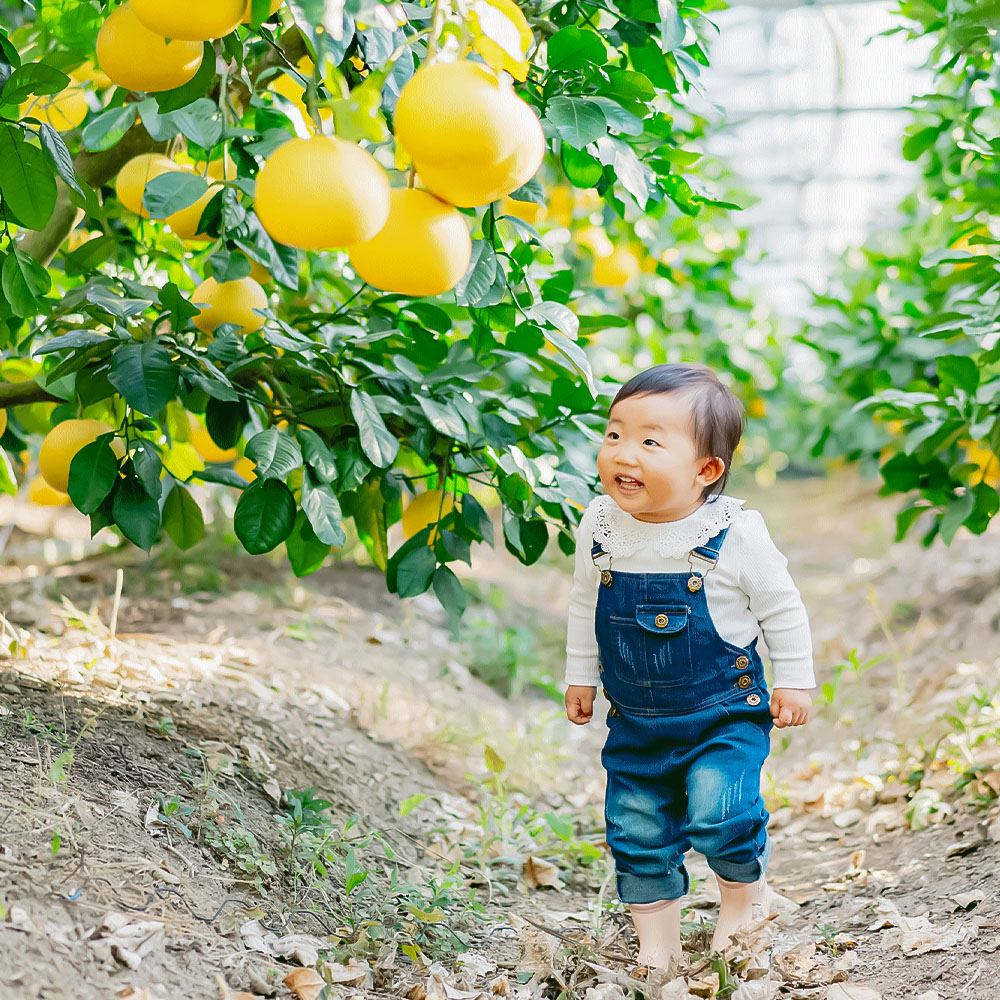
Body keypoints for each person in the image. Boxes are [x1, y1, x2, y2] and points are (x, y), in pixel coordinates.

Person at [563, 362, 814, 973]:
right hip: (639, 721)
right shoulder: (599, 524)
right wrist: (581, 673)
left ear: (706, 470)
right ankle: (658, 942)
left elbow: (781, 605)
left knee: (719, 811)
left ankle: (741, 903)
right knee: (637, 826)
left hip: (722, 714)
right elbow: (584, 601)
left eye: (651, 441)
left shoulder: (733, 532)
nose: (624, 452)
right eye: (615, 433)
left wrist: (795, 677)